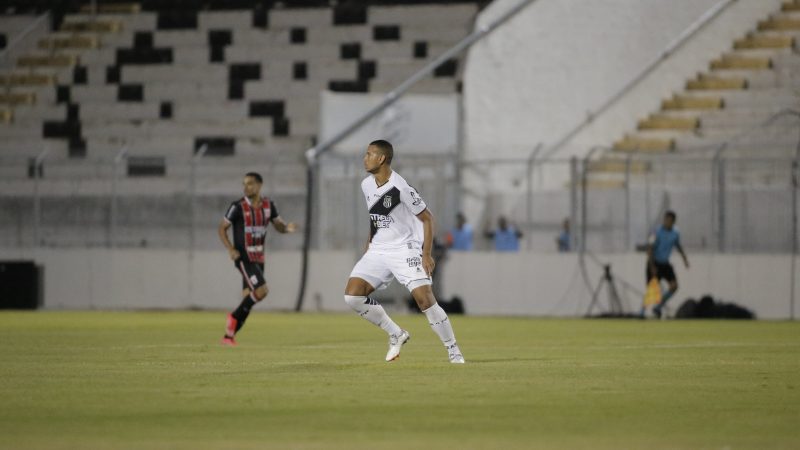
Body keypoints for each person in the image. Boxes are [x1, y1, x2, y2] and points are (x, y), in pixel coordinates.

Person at [344, 139, 465, 364]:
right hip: (378, 250)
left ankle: (453, 350)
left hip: (404, 250)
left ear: (381, 159)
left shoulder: (402, 188)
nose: (365, 158)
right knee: (353, 296)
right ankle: (396, 333)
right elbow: (376, 216)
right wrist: (370, 241)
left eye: (369, 154)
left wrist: (425, 253)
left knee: (425, 300)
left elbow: (427, 219)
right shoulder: (366, 185)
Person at [218, 172, 298, 346]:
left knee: (250, 296)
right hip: (243, 257)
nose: (246, 187)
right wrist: (231, 249)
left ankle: (228, 337)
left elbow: (279, 226)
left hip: (259, 257)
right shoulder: (237, 207)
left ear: (260, 185)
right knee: (262, 291)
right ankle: (232, 318)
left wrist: (287, 228)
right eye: (244, 184)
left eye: (250, 184)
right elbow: (222, 228)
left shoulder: (269, 206)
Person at [647, 210, 689, 318]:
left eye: (669, 220)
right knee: (652, 289)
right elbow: (650, 248)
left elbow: (678, 245)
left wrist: (684, 258)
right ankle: (642, 312)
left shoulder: (675, 233)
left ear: (673, 222)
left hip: (665, 264)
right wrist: (652, 266)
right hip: (655, 262)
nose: (667, 222)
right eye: (666, 219)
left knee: (674, 286)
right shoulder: (656, 231)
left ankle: (658, 307)